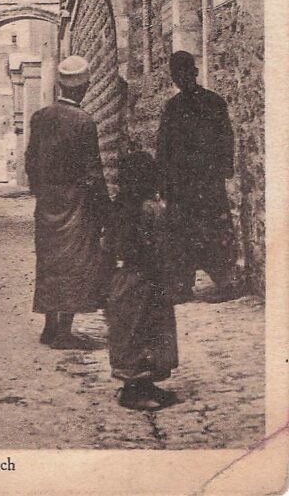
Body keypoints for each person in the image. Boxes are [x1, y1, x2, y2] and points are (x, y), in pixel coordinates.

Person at [25, 55, 111, 349]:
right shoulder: (84, 122)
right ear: (84, 87)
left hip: (48, 201)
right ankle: (64, 331)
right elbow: (93, 171)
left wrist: (42, 192)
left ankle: (49, 327)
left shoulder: (40, 117)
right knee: (75, 263)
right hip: (75, 203)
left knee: (48, 262)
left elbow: (30, 162)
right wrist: (103, 208)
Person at [156, 50, 240, 303]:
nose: (182, 79)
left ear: (193, 73)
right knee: (181, 234)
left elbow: (226, 138)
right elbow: (163, 148)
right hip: (182, 185)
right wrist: (163, 181)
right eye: (177, 75)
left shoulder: (214, 102)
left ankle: (225, 282)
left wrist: (225, 168)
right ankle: (182, 284)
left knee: (214, 231)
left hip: (206, 182)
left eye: (185, 73)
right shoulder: (173, 107)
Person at [103, 145, 178, 411]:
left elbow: (108, 247)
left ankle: (143, 385)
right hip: (147, 280)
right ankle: (134, 392)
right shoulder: (152, 210)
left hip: (122, 279)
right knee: (149, 332)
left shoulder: (119, 208)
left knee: (129, 332)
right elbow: (161, 248)